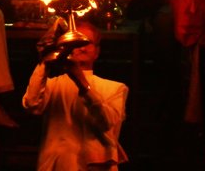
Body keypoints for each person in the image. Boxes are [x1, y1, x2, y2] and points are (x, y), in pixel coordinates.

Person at [22, 21, 129, 170]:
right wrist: (45, 61)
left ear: (97, 52)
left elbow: (106, 123)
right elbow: (31, 105)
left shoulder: (115, 88)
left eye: (87, 42)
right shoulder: (52, 85)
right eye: (76, 43)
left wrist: (82, 82)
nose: (82, 48)